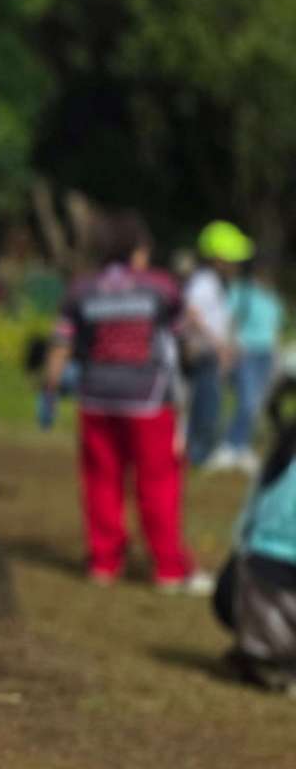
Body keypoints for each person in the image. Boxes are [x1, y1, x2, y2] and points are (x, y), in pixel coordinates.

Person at [42, 213, 212, 594]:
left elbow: (61, 344)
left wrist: (50, 388)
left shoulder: (82, 289)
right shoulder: (160, 287)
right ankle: (168, 569)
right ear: (139, 249)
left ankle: (104, 563)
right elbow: (185, 338)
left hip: (96, 398)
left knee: (101, 481)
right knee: (158, 483)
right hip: (149, 400)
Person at [214, 378, 296, 693]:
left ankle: (259, 652)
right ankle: (271, 658)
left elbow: (245, 527)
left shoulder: (284, 447)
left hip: (250, 579)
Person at [183, 221, 250, 467]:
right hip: (204, 355)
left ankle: (198, 454)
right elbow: (192, 314)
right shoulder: (203, 282)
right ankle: (198, 456)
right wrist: (218, 345)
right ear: (218, 258)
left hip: (211, 354)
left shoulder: (215, 283)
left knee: (210, 405)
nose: (236, 265)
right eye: (232, 259)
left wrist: (229, 344)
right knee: (206, 409)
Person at [219, 258, 284, 471]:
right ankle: (230, 445)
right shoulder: (241, 292)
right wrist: (229, 348)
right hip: (246, 352)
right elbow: (229, 321)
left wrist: (276, 356)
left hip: (266, 354)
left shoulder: (273, 299)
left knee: (255, 403)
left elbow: (275, 329)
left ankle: (242, 446)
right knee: (246, 400)